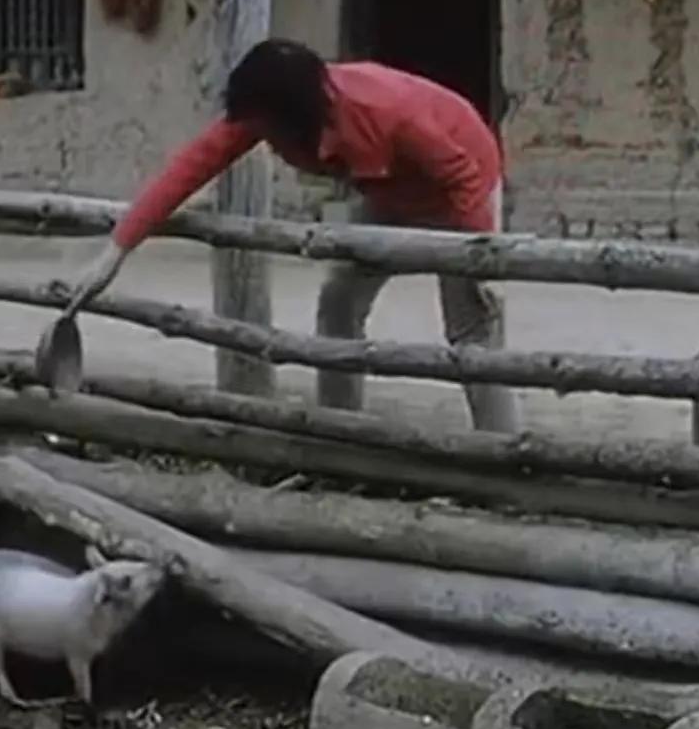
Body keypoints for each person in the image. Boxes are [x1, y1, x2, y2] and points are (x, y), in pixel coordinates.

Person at [67, 38, 516, 434]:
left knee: (472, 327)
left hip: (461, 187)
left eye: (267, 129)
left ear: (293, 114)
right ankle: (341, 430)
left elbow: (463, 176)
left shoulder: (388, 113)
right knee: (339, 301)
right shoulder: (267, 111)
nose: (260, 137)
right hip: (390, 198)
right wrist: (116, 250)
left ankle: (501, 452)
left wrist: (480, 258)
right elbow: (190, 168)